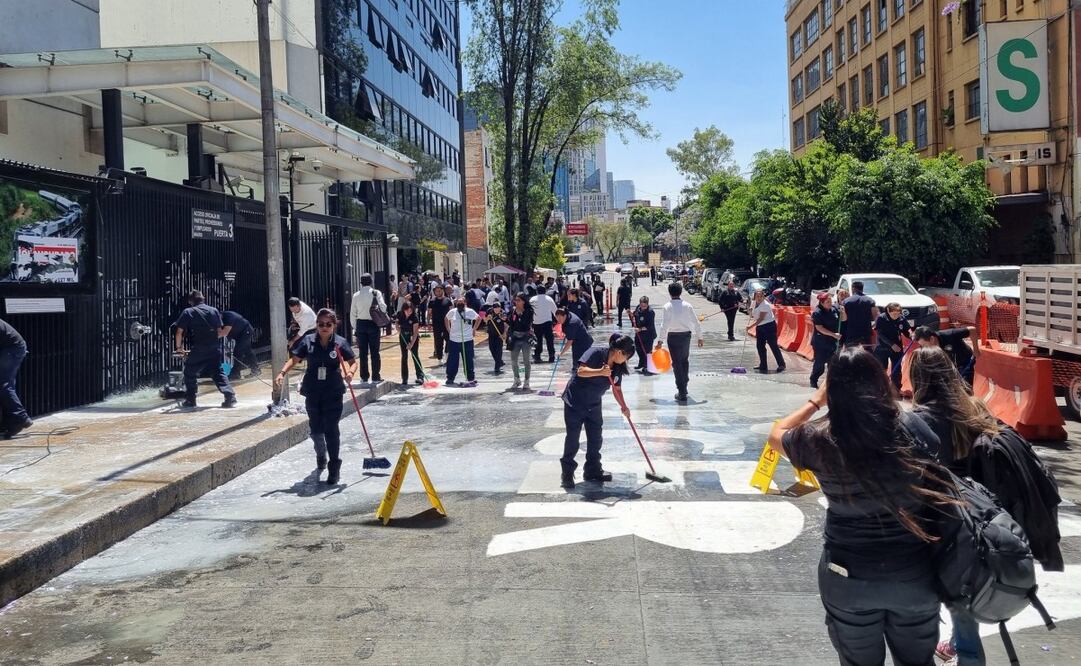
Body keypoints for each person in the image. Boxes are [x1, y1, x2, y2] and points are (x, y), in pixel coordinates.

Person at [766, 347, 957, 666]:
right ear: (880, 381)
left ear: (833, 390)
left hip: (848, 576)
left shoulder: (819, 439)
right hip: (914, 572)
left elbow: (776, 435)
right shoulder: (912, 428)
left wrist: (817, 400)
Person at [274, 308, 356, 484]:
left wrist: (350, 373)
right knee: (316, 428)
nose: (324, 327)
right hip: (312, 390)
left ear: (334, 325)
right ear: (317, 325)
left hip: (333, 391)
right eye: (321, 324)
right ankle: (321, 454)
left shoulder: (340, 343)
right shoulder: (308, 341)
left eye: (328, 324)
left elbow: (353, 362)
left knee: (331, 428)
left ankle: (334, 467)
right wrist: (282, 373)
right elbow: (294, 359)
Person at [560, 334, 635, 488]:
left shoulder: (618, 367)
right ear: (619, 352)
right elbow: (580, 371)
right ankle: (567, 473)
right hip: (575, 401)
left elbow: (617, 389)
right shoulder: (595, 353)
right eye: (627, 356)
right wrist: (600, 372)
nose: (626, 361)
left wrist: (624, 406)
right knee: (573, 438)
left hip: (594, 403)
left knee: (596, 438)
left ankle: (592, 470)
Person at [174, 290, 235, 408]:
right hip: (214, 348)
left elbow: (179, 332)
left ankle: (191, 400)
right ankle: (230, 397)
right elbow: (219, 332)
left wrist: (179, 348)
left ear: (190, 301)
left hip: (199, 348)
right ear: (203, 299)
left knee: (189, 372)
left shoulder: (188, 312)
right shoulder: (214, 310)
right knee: (218, 372)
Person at [655, 281, 703, 402]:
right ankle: (684, 385)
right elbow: (695, 322)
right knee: (684, 361)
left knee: (676, 363)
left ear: (670, 293)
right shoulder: (687, 305)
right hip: (686, 336)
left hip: (673, 337)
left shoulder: (667, 306)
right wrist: (700, 337)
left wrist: (660, 340)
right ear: (681, 292)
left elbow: (664, 325)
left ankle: (681, 391)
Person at [348, 273, 388, 384]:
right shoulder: (376, 293)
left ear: (361, 283)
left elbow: (353, 313)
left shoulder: (356, 295)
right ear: (371, 281)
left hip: (361, 324)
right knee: (375, 352)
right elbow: (383, 308)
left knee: (363, 353)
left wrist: (355, 327)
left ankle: (364, 376)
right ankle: (376, 376)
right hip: (373, 324)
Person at [913, 325, 980, 386]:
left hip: (964, 362)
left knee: (966, 388)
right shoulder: (927, 349)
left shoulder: (950, 334)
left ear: (932, 339)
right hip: (948, 366)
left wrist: (976, 350)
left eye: (924, 345)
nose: (924, 348)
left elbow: (972, 330)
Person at [0, 318, 32, 438]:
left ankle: (20, 418)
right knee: (5, 385)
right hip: (9, 347)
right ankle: (9, 421)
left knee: (3, 384)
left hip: (12, 348)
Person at [873, 302, 912, 389]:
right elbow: (880, 334)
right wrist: (891, 345)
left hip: (897, 348)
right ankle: (881, 388)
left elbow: (906, 330)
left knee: (897, 369)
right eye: (894, 314)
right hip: (882, 347)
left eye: (898, 313)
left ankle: (896, 389)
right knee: (882, 368)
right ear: (888, 311)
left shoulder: (901, 318)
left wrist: (911, 335)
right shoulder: (881, 318)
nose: (896, 316)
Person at [809, 292, 844, 389]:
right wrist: (833, 334)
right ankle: (813, 380)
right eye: (827, 302)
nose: (830, 303)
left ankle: (831, 384)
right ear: (822, 303)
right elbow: (819, 328)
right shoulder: (817, 312)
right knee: (820, 365)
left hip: (833, 342)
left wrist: (843, 312)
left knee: (833, 364)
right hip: (821, 342)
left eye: (830, 301)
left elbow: (844, 319)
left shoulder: (834, 309)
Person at [747, 288, 785, 375]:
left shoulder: (765, 305)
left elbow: (761, 318)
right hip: (760, 327)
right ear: (755, 297)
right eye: (757, 296)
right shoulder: (753, 303)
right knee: (760, 346)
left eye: (761, 296)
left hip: (769, 326)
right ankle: (763, 365)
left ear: (763, 297)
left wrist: (750, 326)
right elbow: (752, 314)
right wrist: (749, 310)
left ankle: (781, 364)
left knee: (773, 345)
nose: (759, 298)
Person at [445, 297, 480, 387]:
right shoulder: (452, 311)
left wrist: (474, 329)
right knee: (452, 360)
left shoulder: (470, 311)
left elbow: (478, 318)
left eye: (461, 303)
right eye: (458, 303)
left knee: (468, 359)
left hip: (467, 339)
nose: (460, 305)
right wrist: (449, 329)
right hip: (454, 340)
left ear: (465, 303)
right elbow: (446, 318)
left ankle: (470, 377)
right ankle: (450, 377)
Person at [221, 309, 260, 380]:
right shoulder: (221, 319)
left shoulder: (228, 316)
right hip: (238, 334)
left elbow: (224, 332)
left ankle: (235, 373)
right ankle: (256, 369)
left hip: (245, 331)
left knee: (238, 351)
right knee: (248, 351)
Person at [508, 293, 534, 390]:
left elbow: (526, 325)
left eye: (518, 300)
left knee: (526, 360)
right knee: (514, 360)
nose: (516, 302)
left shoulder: (529, 311)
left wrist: (520, 314)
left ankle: (527, 381)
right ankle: (516, 379)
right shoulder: (513, 310)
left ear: (523, 301)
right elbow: (511, 324)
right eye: (515, 300)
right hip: (515, 337)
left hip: (525, 337)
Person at [841, 281, 878, 348]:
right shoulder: (870, 301)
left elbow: (844, 319)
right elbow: (876, 317)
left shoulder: (846, 301)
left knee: (851, 353)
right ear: (862, 288)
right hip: (866, 332)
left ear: (853, 289)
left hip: (851, 332)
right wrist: (871, 325)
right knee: (866, 354)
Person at [395, 301, 424, 386]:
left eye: (411, 310)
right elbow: (397, 324)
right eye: (407, 310)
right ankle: (404, 378)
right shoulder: (400, 314)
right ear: (404, 309)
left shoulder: (414, 317)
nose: (409, 312)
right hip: (403, 336)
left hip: (412, 336)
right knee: (404, 357)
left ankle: (420, 377)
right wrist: (398, 329)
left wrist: (411, 343)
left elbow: (415, 332)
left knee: (415, 355)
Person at [530, 288, 557, 364]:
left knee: (538, 340)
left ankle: (537, 355)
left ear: (536, 291)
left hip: (536, 322)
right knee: (549, 340)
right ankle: (551, 356)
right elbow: (555, 311)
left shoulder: (532, 299)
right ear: (545, 291)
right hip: (547, 322)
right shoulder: (549, 299)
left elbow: (529, 311)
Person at [427, 284, 453, 364]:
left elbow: (452, 312)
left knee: (449, 339)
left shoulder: (448, 300)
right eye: (436, 291)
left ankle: (447, 353)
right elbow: (429, 313)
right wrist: (428, 323)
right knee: (438, 341)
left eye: (439, 290)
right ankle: (439, 357)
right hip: (436, 324)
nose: (438, 292)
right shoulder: (432, 301)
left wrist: (453, 323)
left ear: (442, 290)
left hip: (447, 324)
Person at [631, 296, 656, 375]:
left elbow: (650, 326)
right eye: (641, 305)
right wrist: (631, 314)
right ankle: (641, 363)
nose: (642, 307)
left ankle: (648, 366)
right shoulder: (638, 308)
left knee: (647, 351)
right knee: (638, 349)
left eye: (644, 306)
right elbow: (635, 316)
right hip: (639, 334)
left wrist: (640, 329)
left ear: (647, 304)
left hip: (648, 334)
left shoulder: (650, 312)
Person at [485, 301, 508, 374]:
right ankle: (499, 361)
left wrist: (504, 334)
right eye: (495, 308)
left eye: (498, 308)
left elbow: (506, 324)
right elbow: (485, 320)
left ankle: (497, 366)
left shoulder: (503, 313)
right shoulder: (489, 311)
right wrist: (487, 318)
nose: (497, 309)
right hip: (491, 334)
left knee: (498, 350)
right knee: (492, 349)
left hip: (499, 335)